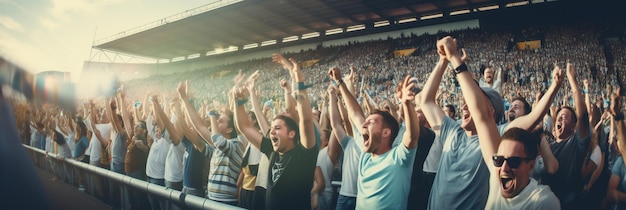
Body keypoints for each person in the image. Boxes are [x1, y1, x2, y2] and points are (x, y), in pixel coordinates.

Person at [436, 36, 560, 209]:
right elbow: (481, 115)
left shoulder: (543, 202)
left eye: (514, 162)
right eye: (498, 160)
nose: (504, 167)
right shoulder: (496, 178)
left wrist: (554, 86)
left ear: (530, 165)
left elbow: (484, 116)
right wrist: (450, 58)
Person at [329, 66, 420, 209]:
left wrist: (406, 104)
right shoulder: (366, 156)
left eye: (371, 122)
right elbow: (355, 115)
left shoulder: (399, 158)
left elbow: (412, 135)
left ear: (386, 132)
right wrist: (340, 82)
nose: (364, 124)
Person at [234, 54, 318, 210]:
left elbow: (306, 120)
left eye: (277, 128)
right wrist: (239, 102)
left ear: (292, 134)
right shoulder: (271, 151)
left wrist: (298, 83)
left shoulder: (304, 155)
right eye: (271, 128)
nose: (271, 132)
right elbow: (245, 127)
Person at [542, 61, 592, 209]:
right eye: (559, 116)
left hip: (568, 203)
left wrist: (571, 78)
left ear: (573, 127)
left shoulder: (576, 144)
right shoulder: (548, 144)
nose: (559, 118)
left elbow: (583, 116)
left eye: (565, 117)